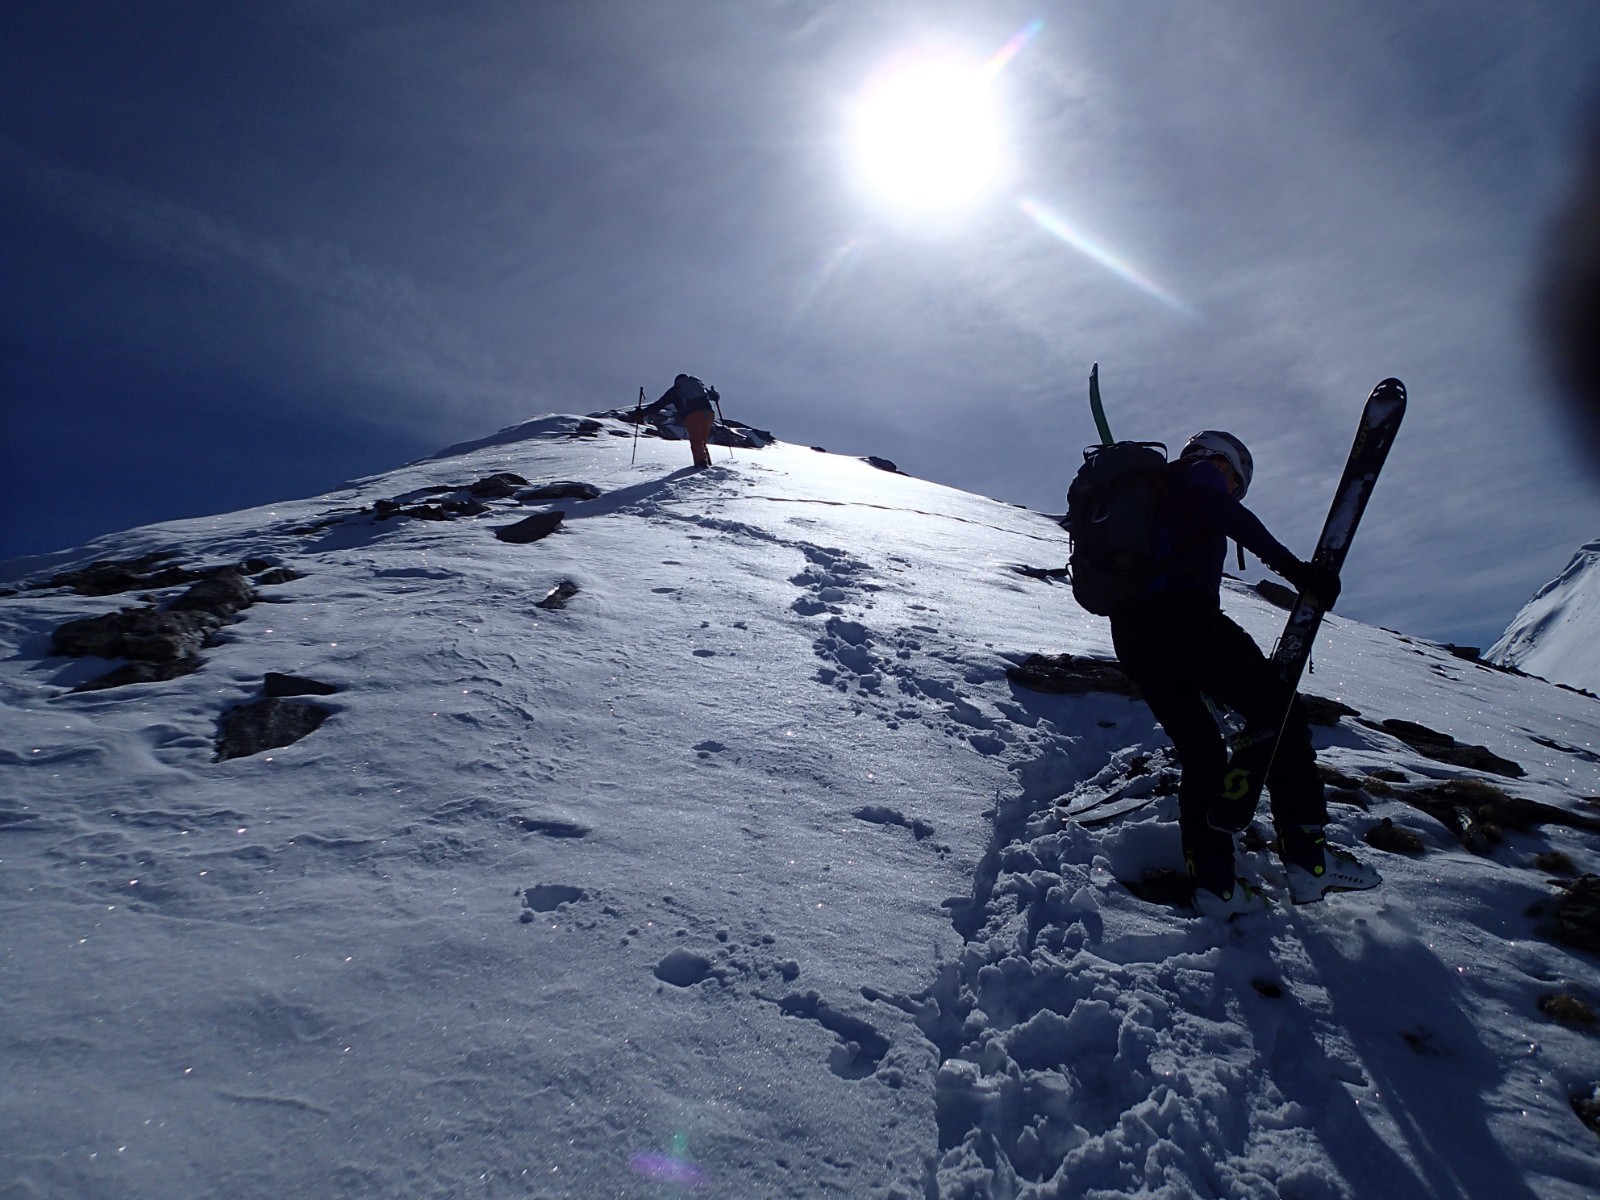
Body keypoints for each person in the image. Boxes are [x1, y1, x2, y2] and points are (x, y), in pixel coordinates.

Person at [1106, 430, 1381, 918]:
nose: (1232, 487)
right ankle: (1308, 858)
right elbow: (1224, 511)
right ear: (1226, 462)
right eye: (1236, 480)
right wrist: (1297, 572)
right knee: (1281, 717)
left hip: (1134, 639)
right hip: (1185, 620)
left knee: (1203, 751)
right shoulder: (1199, 472)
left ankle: (1215, 884)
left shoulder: (1144, 500)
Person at [656, 374, 718, 469]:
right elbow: (715, 396)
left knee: (696, 440)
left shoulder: (676, 389)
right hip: (708, 414)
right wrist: (715, 394)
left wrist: (641, 413)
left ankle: (701, 464)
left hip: (691, 415)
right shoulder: (698, 385)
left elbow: (659, 404)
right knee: (702, 441)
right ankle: (707, 463)